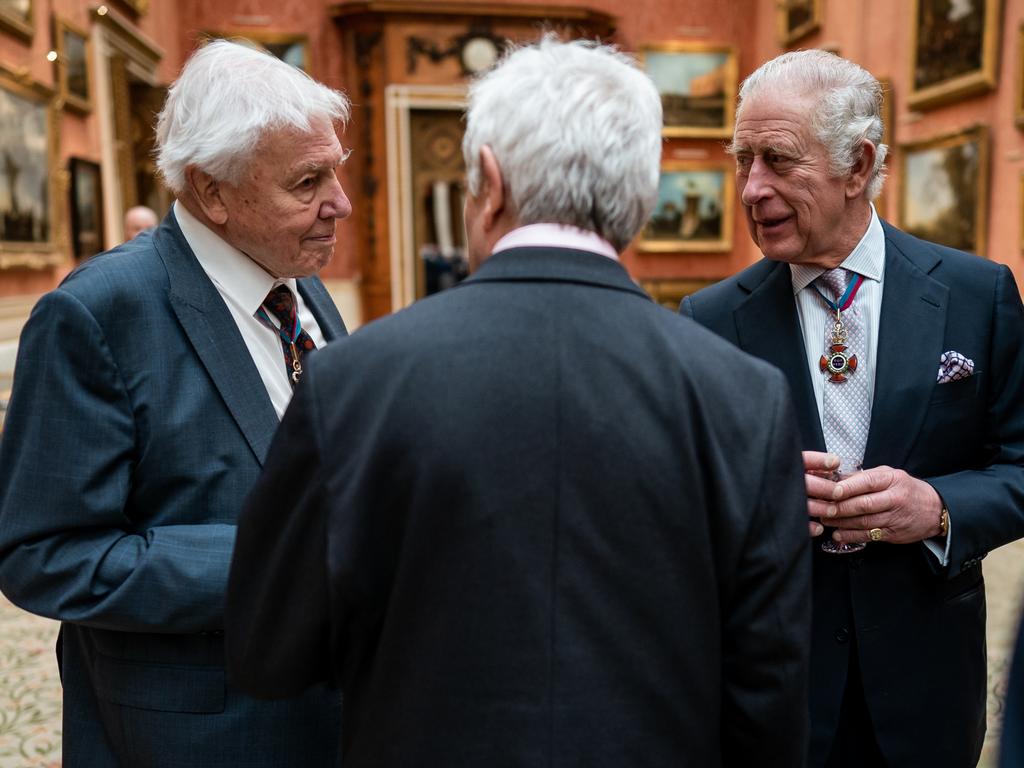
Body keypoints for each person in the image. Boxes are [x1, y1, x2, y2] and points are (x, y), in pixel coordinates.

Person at [225, 36, 812, 767]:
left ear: (491, 184)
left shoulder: (353, 381)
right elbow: (771, 690)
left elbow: (269, 651)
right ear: (637, 202)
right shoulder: (746, 398)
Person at [0, 40, 352, 767]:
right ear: (211, 190)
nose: (339, 204)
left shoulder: (300, 285)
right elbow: (45, 555)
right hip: (195, 735)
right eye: (307, 180)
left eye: (336, 172)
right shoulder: (97, 315)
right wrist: (278, 561)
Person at [680, 49, 1024, 768]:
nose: (750, 188)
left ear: (859, 166)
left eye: (777, 160)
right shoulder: (707, 321)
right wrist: (760, 499)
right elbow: (678, 497)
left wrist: (936, 508)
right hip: (774, 688)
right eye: (743, 160)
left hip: (927, 681)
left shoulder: (977, 295)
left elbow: (1019, 465)